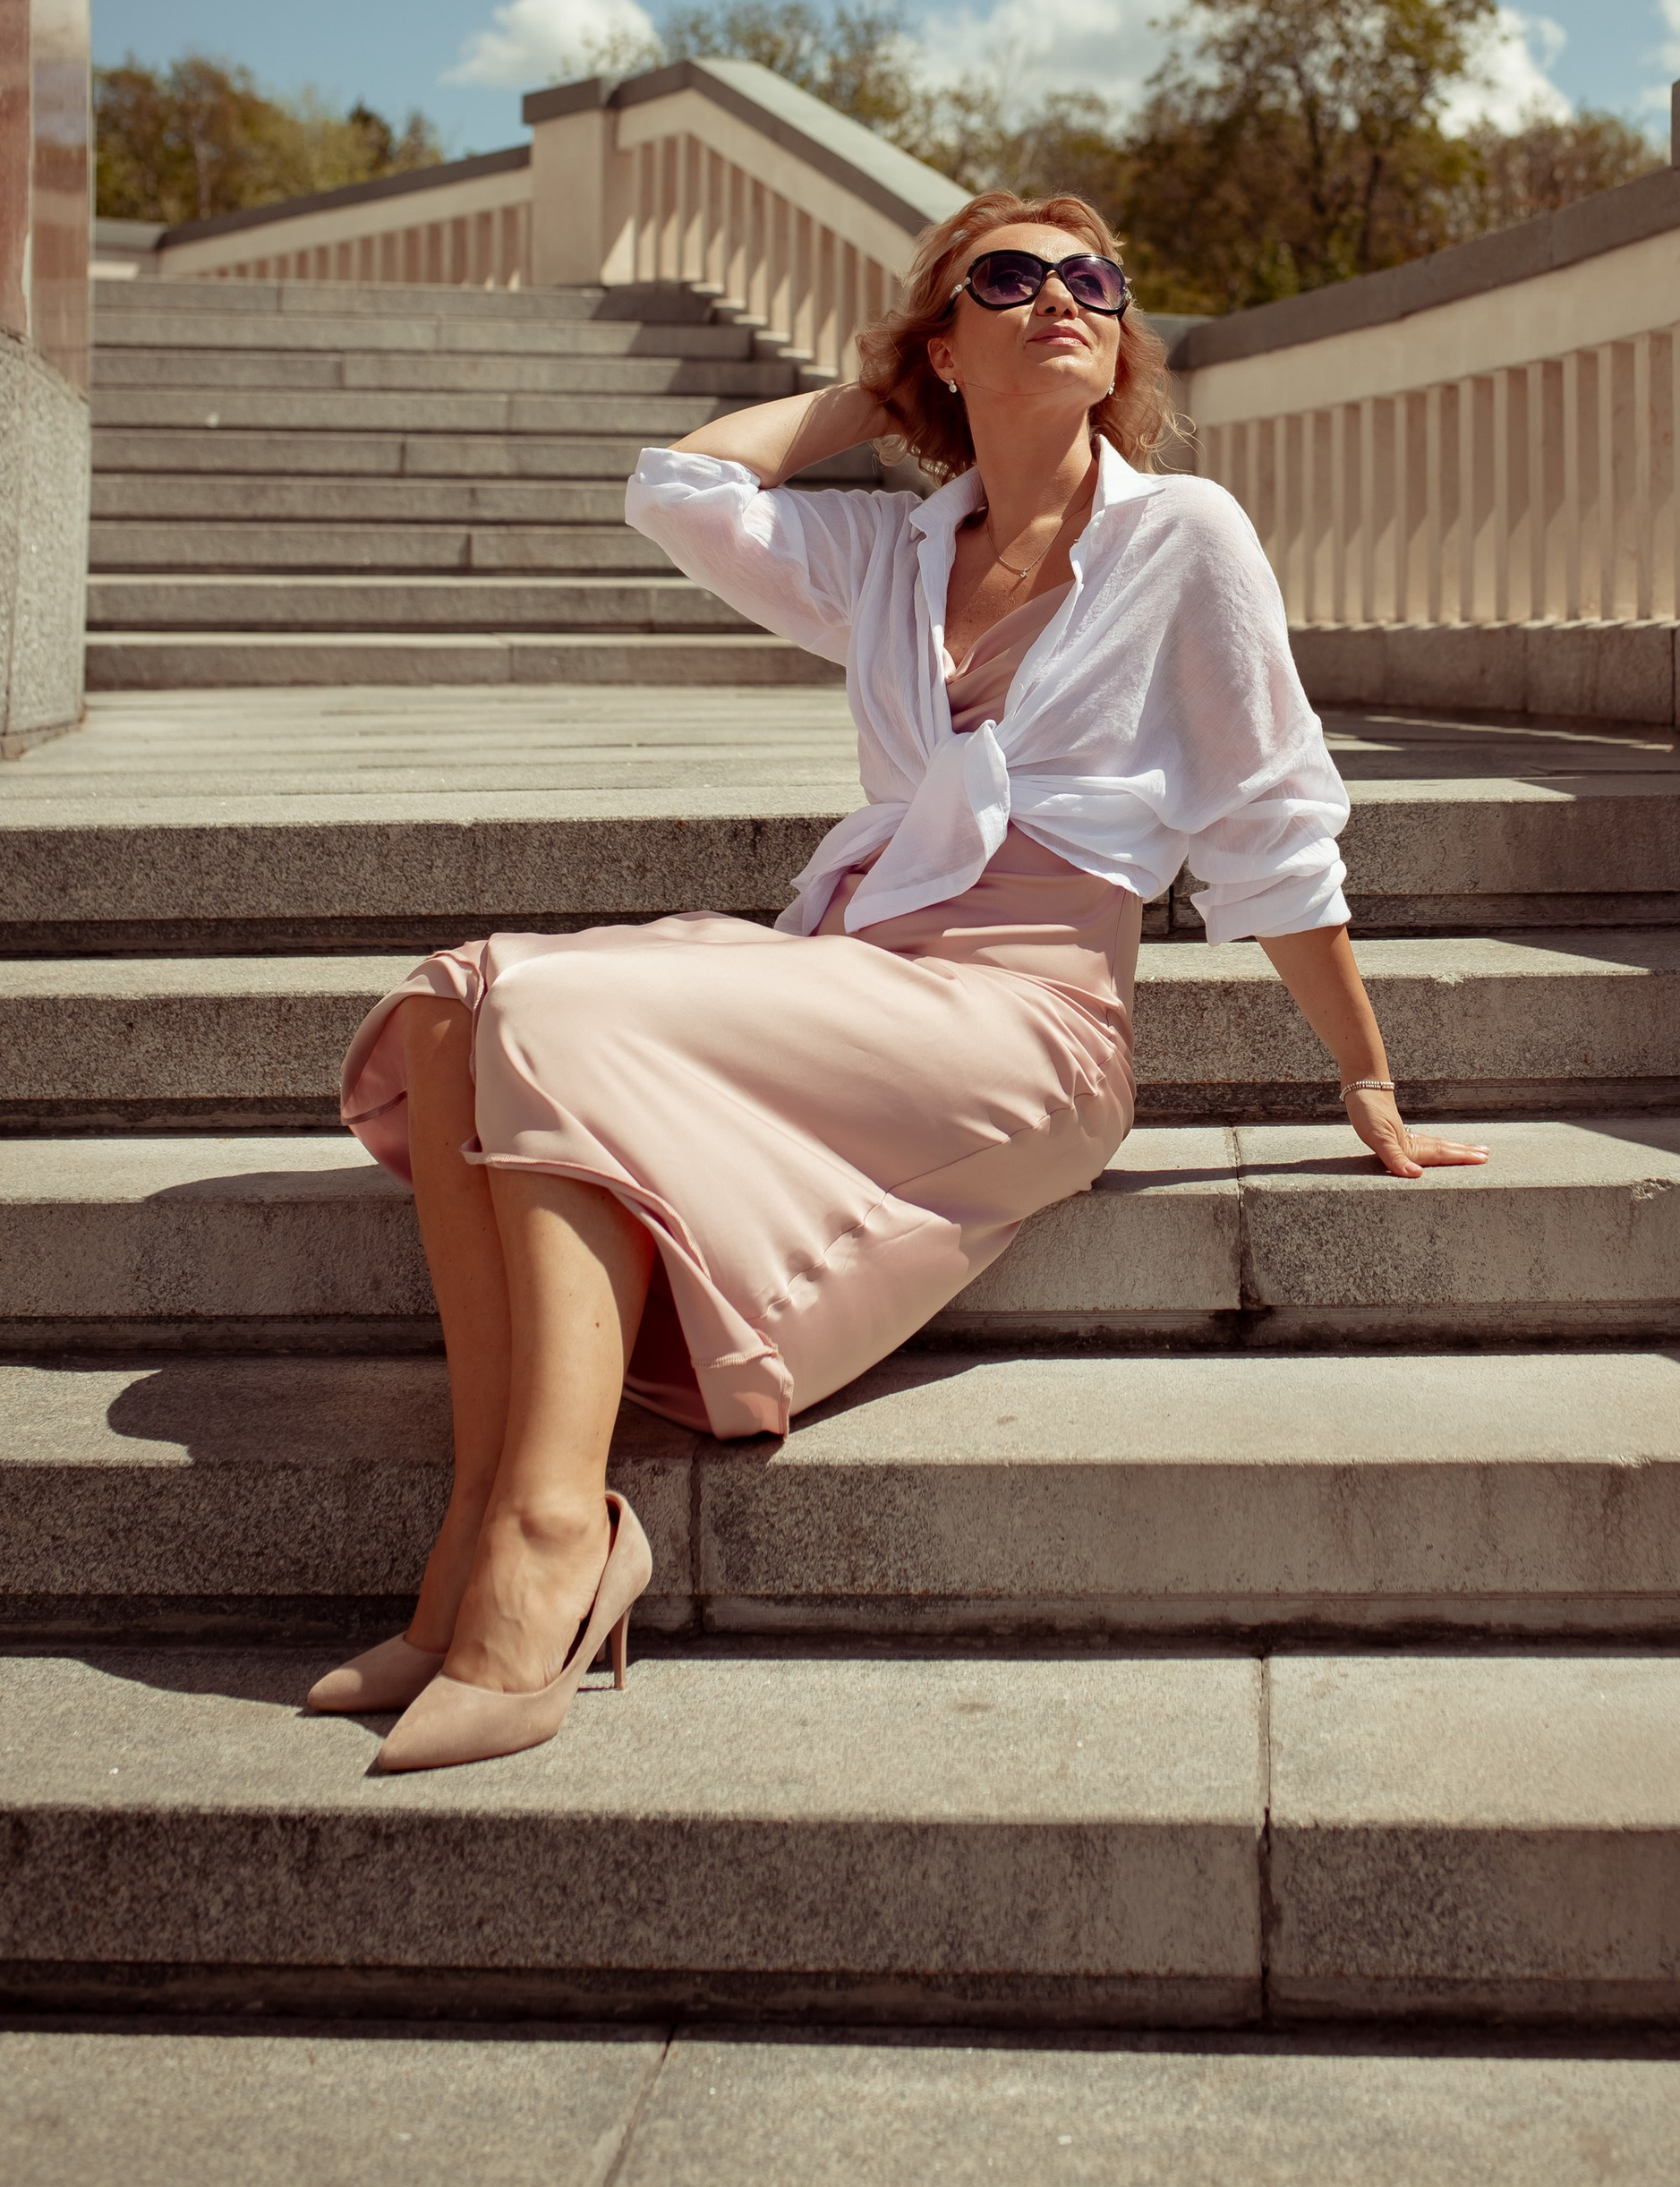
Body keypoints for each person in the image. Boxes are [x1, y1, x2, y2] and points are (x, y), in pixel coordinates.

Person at [310, 189, 1486, 1772]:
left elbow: (1271, 820)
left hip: (1027, 1024)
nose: (1062, 297)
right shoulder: (892, 549)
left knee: (548, 1003)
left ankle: (546, 1542)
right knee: (461, 1000)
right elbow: (681, 488)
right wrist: (885, 400)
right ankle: (473, 1531)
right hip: (861, 980)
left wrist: (1367, 1079)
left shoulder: (1183, 534)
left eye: (1093, 279)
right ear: (944, 338)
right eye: (1008, 280)